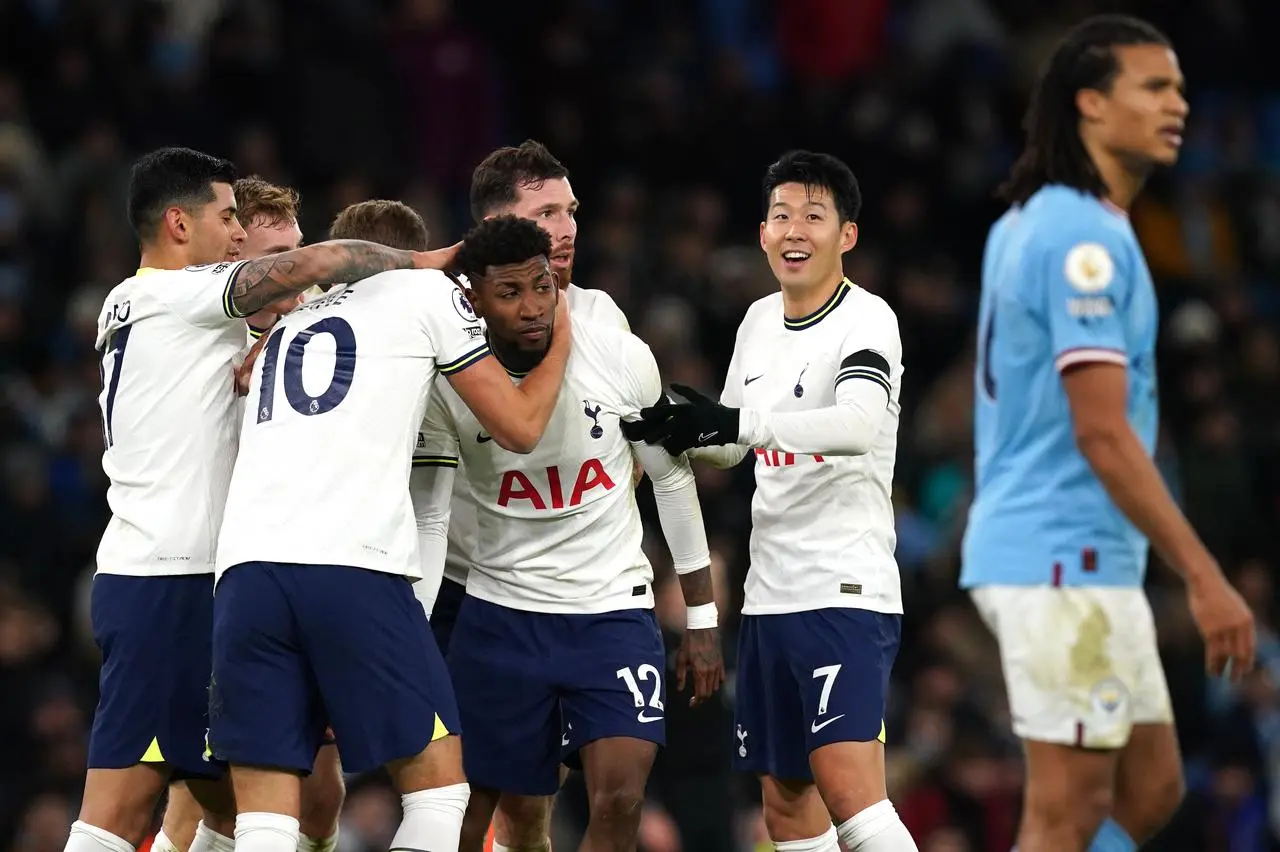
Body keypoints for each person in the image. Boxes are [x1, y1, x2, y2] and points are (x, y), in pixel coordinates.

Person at [69, 146, 458, 852]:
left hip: (183, 572)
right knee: (125, 811)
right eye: (229, 220)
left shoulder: (135, 305)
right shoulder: (179, 293)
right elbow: (302, 273)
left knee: (254, 802)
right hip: (173, 577)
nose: (239, 238)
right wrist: (428, 266)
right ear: (180, 225)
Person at [959, 15, 1256, 852]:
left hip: (1078, 557)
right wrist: (1203, 576)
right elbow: (1102, 432)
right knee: (1065, 812)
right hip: (1060, 559)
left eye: (1182, 89)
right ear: (1090, 103)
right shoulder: (1081, 237)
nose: (1179, 104)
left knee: (1153, 785)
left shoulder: (1036, 218)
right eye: (1155, 87)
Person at [207, 210, 575, 852]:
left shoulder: (293, 321)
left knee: (265, 817)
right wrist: (565, 336)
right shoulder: (427, 293)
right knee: (438, 795)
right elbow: (519, 426)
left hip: (244, 575)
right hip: (351, 566)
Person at [627, 150, 918, 851]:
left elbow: (857, 425)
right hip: (769, 597)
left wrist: (736, 425)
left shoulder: (868, 321)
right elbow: (733, 441)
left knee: (852, 794)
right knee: (787, 808)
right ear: (761, 232)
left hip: (843, 589)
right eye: (781, 215)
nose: (795, 230)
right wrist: (685, 422)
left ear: (847, 235)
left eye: (814, 216)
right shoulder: (758, 320)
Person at [412, 214, 724, 852]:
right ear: (474, 299)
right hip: (500, 614)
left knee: (620, 800)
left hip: (611, 610)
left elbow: (671, 479)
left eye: (541, 287)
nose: (532, 307)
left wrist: (701, 617)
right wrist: (412, 626)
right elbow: (431, 515)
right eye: (510, 293)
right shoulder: (448, 384)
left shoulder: (618, 355)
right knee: (469, 813)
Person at [435, 140, 633, 852]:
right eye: (546, 211)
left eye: (571, 210)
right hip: (462, 588)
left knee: (532, 804)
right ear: (495, 225)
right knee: (452, 797)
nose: (569, 226)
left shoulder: (603, 318)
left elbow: (634, 454)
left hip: (563, 596)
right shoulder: (440, 323)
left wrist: (571, 528)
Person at [157, 176, 345, 852]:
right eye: (274, 261)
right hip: (206, 580)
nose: (293, 274)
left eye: (297, 252)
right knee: (207, 794)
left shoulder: (327, 336)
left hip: (297, 576)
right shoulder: (195, 342)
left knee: (320, 801)